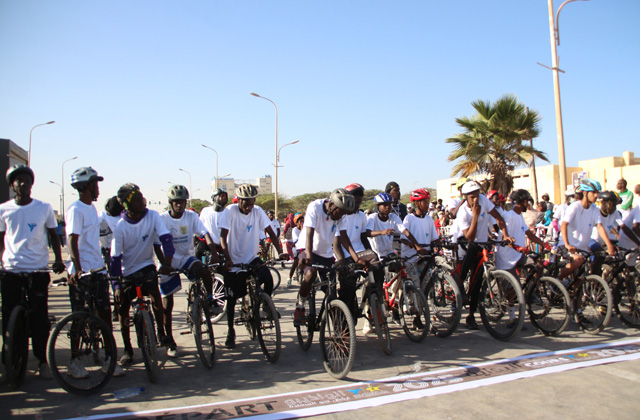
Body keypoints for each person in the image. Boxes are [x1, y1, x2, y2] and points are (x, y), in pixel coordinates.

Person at [0, 165, 66, 380]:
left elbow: (53, 235)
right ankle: (9, 362)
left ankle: (42, 360)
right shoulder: (3, 209)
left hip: (37, 270)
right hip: (11, 270)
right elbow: (1, 240)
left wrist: (58, 259)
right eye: (18, 180)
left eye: (26, 180)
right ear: (12, 186)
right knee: (8, 320)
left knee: (39, 319)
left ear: (32, 184)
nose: (23, 183)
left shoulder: (43, 208)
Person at [64, 167, 125, 378]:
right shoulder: (76, 210)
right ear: (87, 186)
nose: (98, 189)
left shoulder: (91, 208)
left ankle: (109, 359)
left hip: (98, 269)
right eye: (95, 185)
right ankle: (74, 361)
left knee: (105, 316)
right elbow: (72, 240)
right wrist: (77, 268)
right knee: (79, 317)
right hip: (82, 273)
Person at [109, 183, 173, 365]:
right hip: (127, 271)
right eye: (137, 200)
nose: (142, 201)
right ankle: (128, 349)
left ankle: (161, 332)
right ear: (128, 205)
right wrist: (117, 286)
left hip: (146, 265)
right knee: (122, 308)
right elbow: (115, 258)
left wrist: (167, 263)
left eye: (141, 197)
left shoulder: (152, 216)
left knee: (155, 295)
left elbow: (166, 238)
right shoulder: (120, 227)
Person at [155, 185, 220, 358]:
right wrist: (164, 264)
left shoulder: (191, 216)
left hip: (186, 258)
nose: (179, 205)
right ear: (170, 203)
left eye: (182, 202)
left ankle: (209, 300)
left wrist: (214, 253)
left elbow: (204, 234)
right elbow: (156, 245)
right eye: (176, 202)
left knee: (204, 270)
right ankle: (170, 341)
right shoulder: (162, 219)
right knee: (167, 304)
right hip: (168, 261)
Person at [218, 184, 286, 349]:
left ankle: (266, 305)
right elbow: (222, 237)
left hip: (252, 257)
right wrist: (227, 259)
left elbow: (271, 232)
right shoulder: (230, 211)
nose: (249, 206)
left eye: (251, 202)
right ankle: (230, 331)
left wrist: (280, 252)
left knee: (268, 278)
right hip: (234, 260)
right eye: (245, 203)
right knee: (232, 299)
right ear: (239, 200)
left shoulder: (257, 211)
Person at [456, 181, 514, 330]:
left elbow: (499, 218)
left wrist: (505, 235)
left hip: (481, 243)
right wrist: (475, 215)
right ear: (466, 198)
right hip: (466, 241)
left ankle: (471, 315)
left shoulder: (483, 200)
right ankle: (459, 283)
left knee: (477, 282)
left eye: (477, 195)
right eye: (472, 197)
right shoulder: (463, 212)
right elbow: (469, 237)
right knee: (471, 251)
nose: (476, 199)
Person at [293, 188, 355, 326]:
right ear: (332, 205)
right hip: (306, 247)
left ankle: (338, 329)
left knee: (331, 292)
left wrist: (357, 259)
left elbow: (344, 238)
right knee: (310, 274)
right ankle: (300, 306)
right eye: (340, 212)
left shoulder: (341, 214)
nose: (341, 216)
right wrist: (309, 257)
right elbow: (309, 234)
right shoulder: (314, 207)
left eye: (344, 213)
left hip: (325, 252)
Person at [558, 179, 615, 284]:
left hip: (582, 248)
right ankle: (558, 280)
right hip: (567, 245)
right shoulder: (575, 207)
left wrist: (609, 245)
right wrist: (567, 244)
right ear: (585, 193)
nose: (596, 195)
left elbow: (599, 226)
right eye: (594, 192)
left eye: (597, 192)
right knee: (578, 260)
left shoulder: (595, 209)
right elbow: (563, 225)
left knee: (580, 282)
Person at [332, 183, 375, 320]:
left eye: (359, 202)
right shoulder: (340, 216)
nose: (357, 205)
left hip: (359, 251)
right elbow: (337, 244)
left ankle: (374, 304)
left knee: (377, 270)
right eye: (355, 202)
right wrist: (341, 262)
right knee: (348, 285)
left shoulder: (361, 215)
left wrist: (372, 254)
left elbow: (363, 238)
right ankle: (346, 319)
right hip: (344, 254)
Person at [589, 191, 623, 275]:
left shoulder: (614, 213)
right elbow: (600, 227)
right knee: (599, 255)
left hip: (603, 240)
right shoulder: (596, 211)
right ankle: (592, 276)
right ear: (604, 203)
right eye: (612, 204)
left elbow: (622, 226)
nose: (613, 207)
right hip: (591, 239)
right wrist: (608, 244)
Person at [199, 188, 229, 262]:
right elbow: (200, 227)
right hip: (207, 244)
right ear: (214, 198)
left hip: (222, 246)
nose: (224, 198)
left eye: (225, 196)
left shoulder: (228, 212)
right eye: (221, 196)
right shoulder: (205, 211)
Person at [287, 213, 305, 286]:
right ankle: (289, 277)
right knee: (295, 261)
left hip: (305, 248)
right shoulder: (295, 230)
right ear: (297, 223)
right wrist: (302, 229)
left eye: (303, 221)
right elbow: (297, 240)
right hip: (297, 248)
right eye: (300, 221)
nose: (302, 223)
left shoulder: (305, 229)